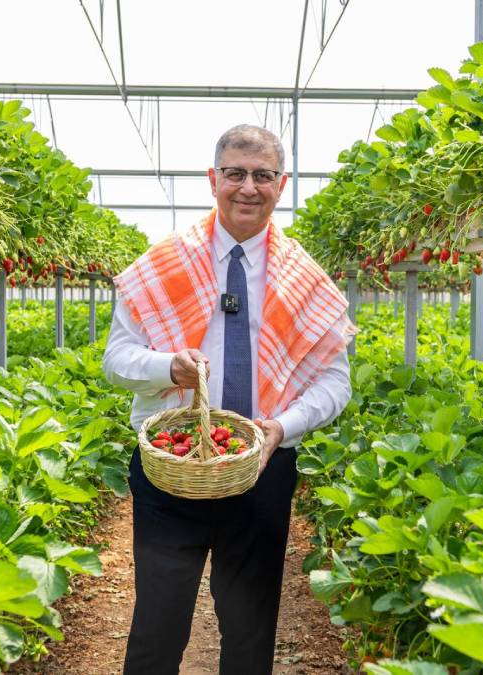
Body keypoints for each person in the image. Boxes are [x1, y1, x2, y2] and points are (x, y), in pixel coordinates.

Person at [102, 124, 355, 674]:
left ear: (281, 184)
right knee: (157, 626)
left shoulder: (304, 279)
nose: (248, 187)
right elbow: (116, 360)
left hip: (261, 469)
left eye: (262, 176)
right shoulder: (162, 265)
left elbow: (337, 382)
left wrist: (281, 428)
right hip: (170, 467)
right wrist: (165, 366)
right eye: (236, 174)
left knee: (249, 629)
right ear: (212, 180)